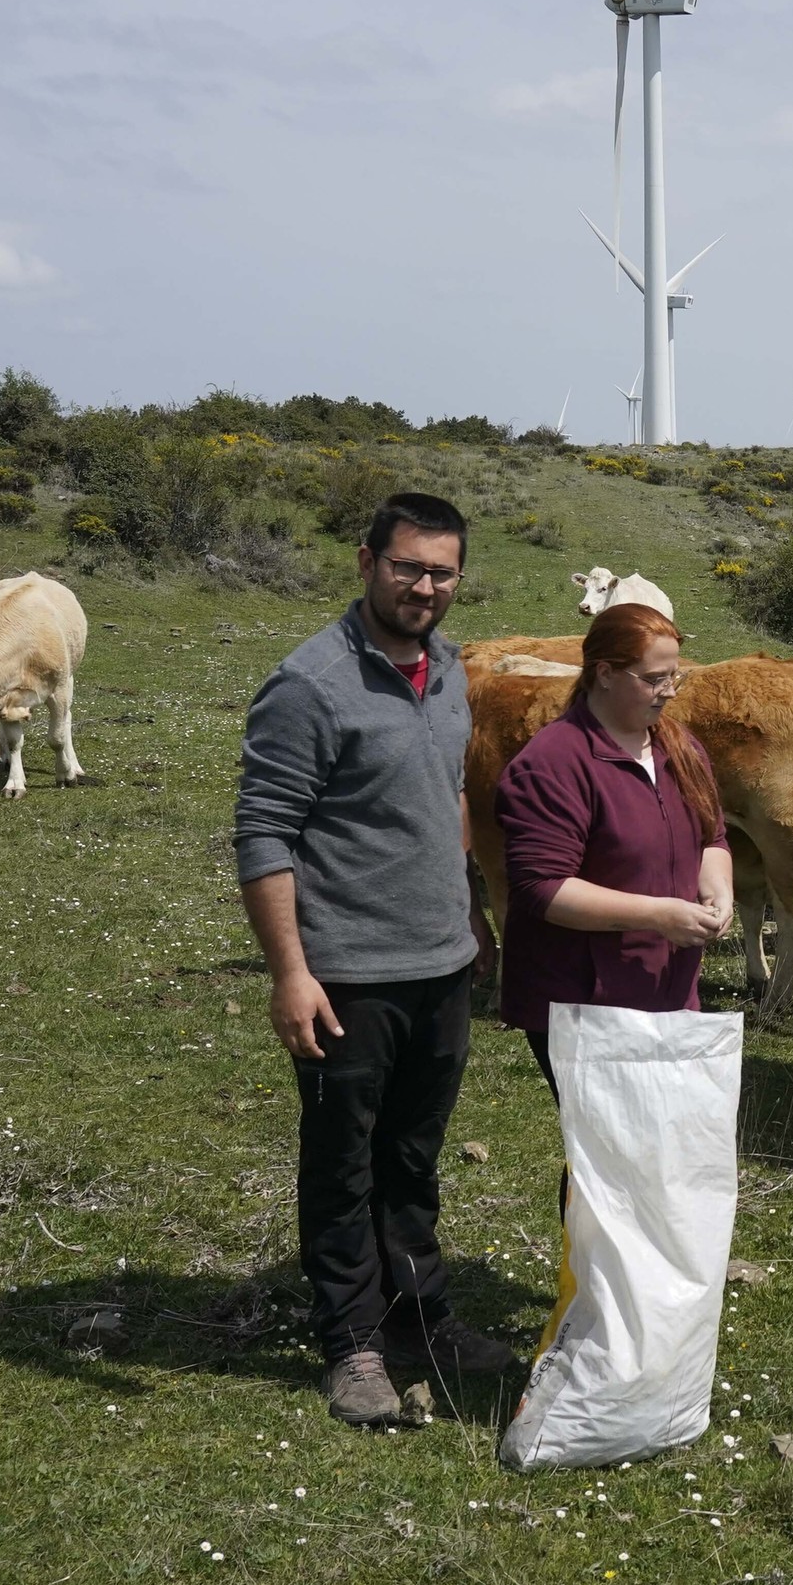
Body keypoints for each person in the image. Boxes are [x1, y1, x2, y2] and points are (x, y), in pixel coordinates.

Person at [234, 490, 515, 1430]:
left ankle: (419, 1319)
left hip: (441, 964)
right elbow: (266, 833)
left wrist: (469, 910)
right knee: (343, 1162)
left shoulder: (451, 670)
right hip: (348, 973)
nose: (424, 587)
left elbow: (449, 800)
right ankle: (352, 1340)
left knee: (413, 1155)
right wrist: (290, 972)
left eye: (442, 572)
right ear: (366, 563)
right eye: (407, 568)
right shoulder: (309, 684)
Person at [491, 602, 734, 1090]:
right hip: (585, 1001)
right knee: (613, 1134)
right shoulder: (553, 763)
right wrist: (660, 915)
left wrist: (718, 889)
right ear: (604, 674)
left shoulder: (680, 748)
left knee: (662, 1130)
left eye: (675, 676)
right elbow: (543, 889)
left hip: (668, 988)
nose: (670, 691)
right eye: (654, 679)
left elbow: (713, 837)